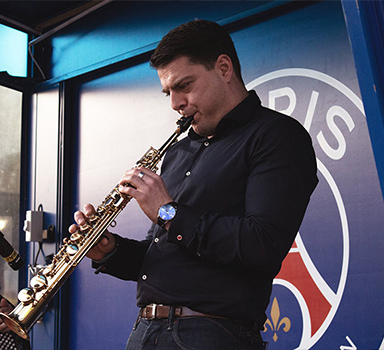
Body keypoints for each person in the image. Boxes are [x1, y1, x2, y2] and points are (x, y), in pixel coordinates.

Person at [69, 19, 318, 350]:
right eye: (168, 92)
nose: (174, 103)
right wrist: (110, 250)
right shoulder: (178, 151)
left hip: (213, 333)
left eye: (184, 85)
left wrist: (168, 213)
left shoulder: (275, 135)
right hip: (145, 330)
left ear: (224, 68)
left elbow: (263, 244)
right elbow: (165, 254)